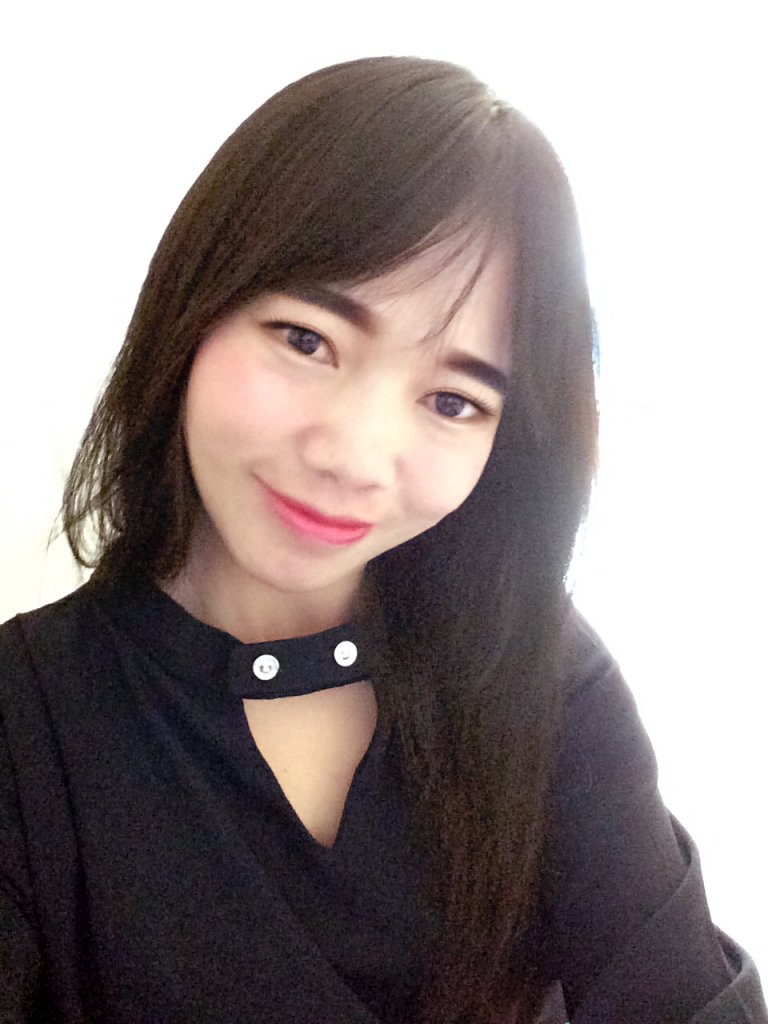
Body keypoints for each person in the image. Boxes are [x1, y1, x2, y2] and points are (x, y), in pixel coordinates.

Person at [0, 56, 764, 1024]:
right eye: (306, 339)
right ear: (192, 309)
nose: (355, 457)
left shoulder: (536, 674)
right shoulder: (27, 723)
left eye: (452, 400)